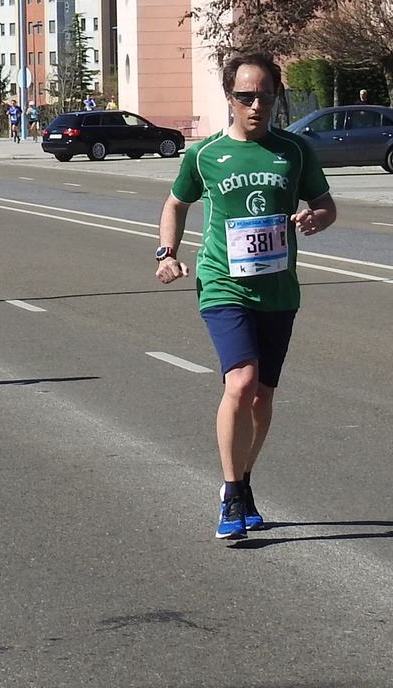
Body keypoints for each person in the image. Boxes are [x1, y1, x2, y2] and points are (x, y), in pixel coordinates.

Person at [155, 53, 337, 541]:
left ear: (276, 97)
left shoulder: (293, 151)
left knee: (263, 397)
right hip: (222, 283)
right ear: (229, 97)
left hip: (278, 290)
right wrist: (166, 252)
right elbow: (176, 203)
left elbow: (324, 203)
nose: (256, 106)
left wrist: (319, 218)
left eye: (266, 96)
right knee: (241, 382)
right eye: (245, 96)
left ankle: (244, 479)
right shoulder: (205, 154)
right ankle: (232, 493)